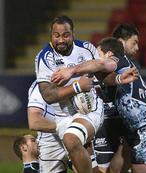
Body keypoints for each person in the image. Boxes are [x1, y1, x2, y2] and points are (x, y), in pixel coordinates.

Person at [35, 15, 138, 173]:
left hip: (90, 110)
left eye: (65, 35)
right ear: (51, 35)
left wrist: (118, 78)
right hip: (63, 117)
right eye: (56, 35)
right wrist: (77, 87)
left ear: (73, 34)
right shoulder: (44, 58)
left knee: (71, 140)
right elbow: (48, 95)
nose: (61, 40)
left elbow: (102, 76)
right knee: (88, 166)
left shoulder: (86, 48)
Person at [51, 36, 146, 173]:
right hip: (141, 128)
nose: (95, 57)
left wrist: (71, 70)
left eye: (98, 54)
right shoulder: (125, 69)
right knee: (114, 170)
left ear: (109, 54)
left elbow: (101, 64)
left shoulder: (118, 60)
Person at [27, 80, 68, 173]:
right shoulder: (39, 87)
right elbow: (34, 121)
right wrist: (69, 128)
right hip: (51, 142)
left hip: (78, 136)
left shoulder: (80, 75)